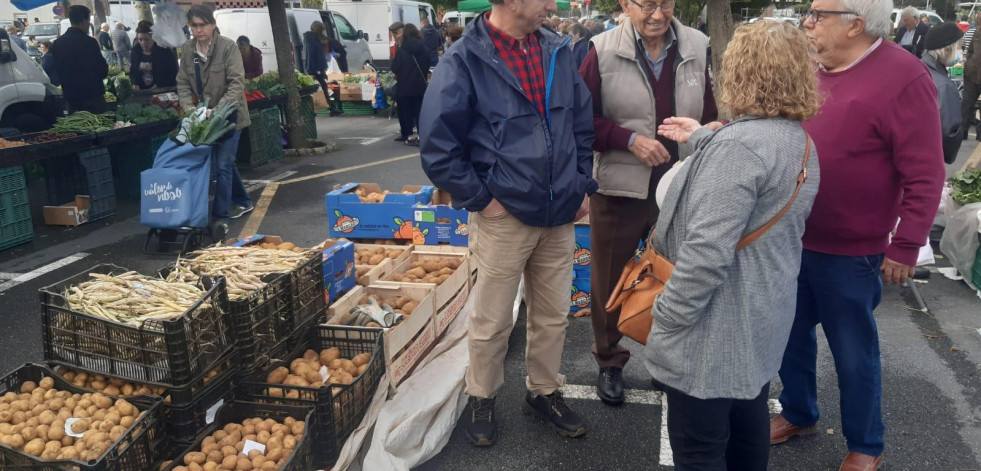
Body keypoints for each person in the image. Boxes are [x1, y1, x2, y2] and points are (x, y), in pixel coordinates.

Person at [772, 1, 946, 470]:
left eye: (817, 14)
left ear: (855, 23)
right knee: (787, 334)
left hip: (852, 249)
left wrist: (907, 243)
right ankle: (798, 411)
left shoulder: (904, 77)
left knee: (853, 351)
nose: (807, 23)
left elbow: (926, 172)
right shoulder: (811, 68)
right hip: (791, 235)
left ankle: (866, 445)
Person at [419, 0, 596, 447]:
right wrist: (482, 198)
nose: (552, 6)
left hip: (559, 213)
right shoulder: (464, 59)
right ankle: (482, 396)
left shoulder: (557, 49)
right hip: (504, 217)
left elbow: (580, 122)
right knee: (492, 319)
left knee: (553, 315)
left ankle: (544, 391)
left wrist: (579, 184)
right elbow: (438, 144)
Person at [646, 20, 821, 470]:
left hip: (714, 331)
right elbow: (751, 176)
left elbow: (706, 255)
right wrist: (704, 135)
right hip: (761, 320)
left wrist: (667, 317)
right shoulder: (798, 141)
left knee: (701, 451)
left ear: (740, 73)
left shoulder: (740, 147)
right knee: (747, 438)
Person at [578, 0, 718, 406]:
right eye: (646, 4)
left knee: (677, 278)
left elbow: (710, 112)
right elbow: (581, 120)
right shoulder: (599, 49)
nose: (657, 14)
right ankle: (609, 361)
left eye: (666, 3)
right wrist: (629, 140)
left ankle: (667, 361)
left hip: (680, 186)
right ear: (625, 4)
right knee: (609, 278)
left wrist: (705, 130)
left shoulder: (696, 44)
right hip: (619, 189)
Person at [176, 5, 254, 221]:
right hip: (204, 119)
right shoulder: (188, 50)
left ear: (212, 25)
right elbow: (182, 82)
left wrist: (217, 111)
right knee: (225, 164)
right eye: (194, 25)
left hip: (230, 117)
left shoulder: (228, 47)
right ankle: (244, 201)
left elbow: (237, 83)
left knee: (222, 165)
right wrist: (188, 107)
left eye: (203, 25)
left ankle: (220, 218)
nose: (198, 30)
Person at [51, 5, 108, 113]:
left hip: (71, 98)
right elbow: (102, 70)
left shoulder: (57, 44)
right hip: (93, 97)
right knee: (100, 127)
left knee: (77, 129)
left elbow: (55, 71)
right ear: (83, 21)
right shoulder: (90, 43)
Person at [922, 22, 964, 164]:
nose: (961, 51)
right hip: (926, 160)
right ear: (946, 50)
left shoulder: (916, 67)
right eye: (959, 46)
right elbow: (948, 134)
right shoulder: (944, 86)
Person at [391, 23, 429, 145]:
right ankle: (421, 136)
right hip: (420, 86)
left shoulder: (402, 49)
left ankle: (408, 135)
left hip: (405, 87)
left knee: (405, 112)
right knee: (419, 112)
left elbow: (395, 68)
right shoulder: (423, 47)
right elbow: (427, 64)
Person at [303, 22, 340, 115]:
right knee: (315, 89)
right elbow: (311, 56)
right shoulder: (312, 41)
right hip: (315, 69)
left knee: (322, 88)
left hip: (318, 69)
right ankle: (327, 108)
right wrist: (312, 71)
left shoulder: (315, 39)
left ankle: (330, 108)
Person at [130, 23, 178, 90]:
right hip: (142, 92)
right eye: (140, 39)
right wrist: (134, 83)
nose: (143, 43)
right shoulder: (135, 52)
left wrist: (159, 85)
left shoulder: (165, 51)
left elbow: (173, 74)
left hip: (163, 91)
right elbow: (133, 72)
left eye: (146, 39)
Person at [963, 12, 981, 139]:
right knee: (966, 104)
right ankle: (962, 132)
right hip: (972, 74)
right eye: (979, 19)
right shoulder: (975, 32)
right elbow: (968, 50)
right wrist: (969, 64)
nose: (979, 22)